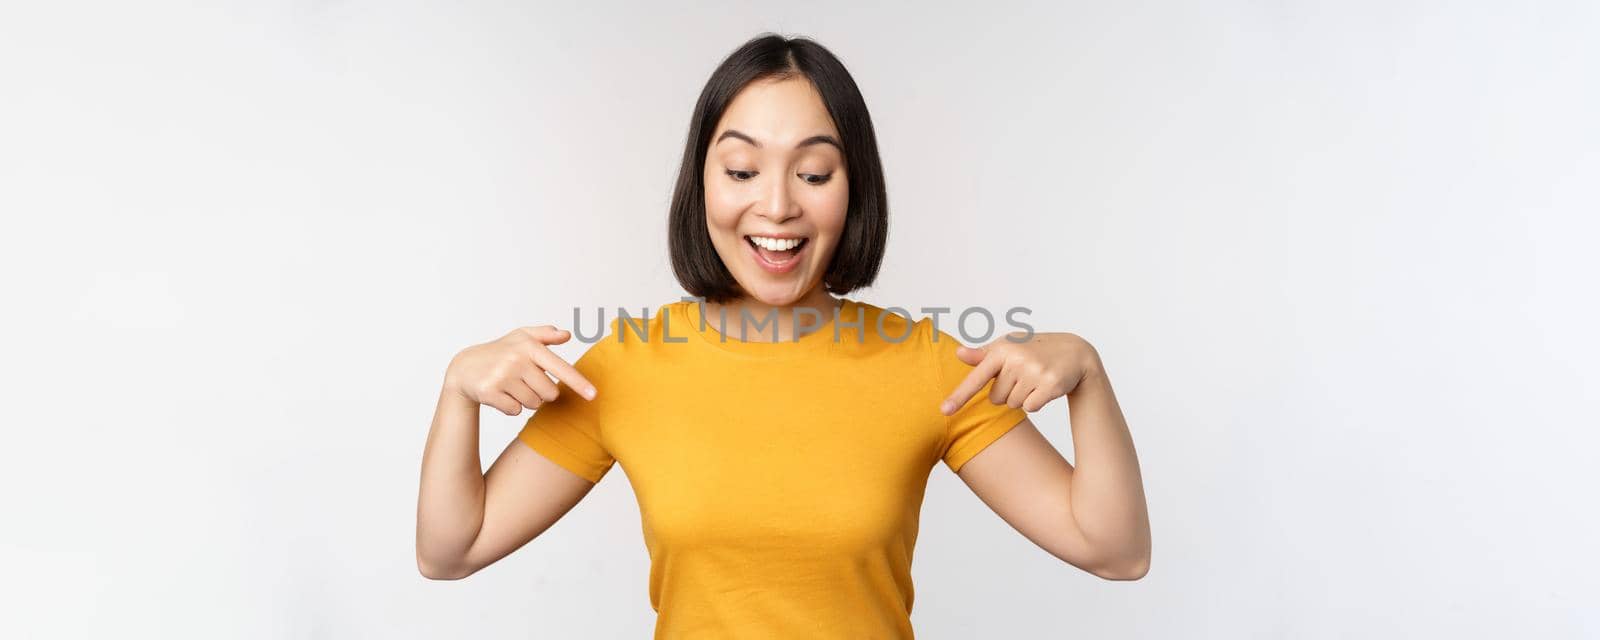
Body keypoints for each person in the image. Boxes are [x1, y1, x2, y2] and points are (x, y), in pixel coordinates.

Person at [416, 33, 1151, 638]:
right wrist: (458, 389)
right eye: (741, 169)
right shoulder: (628, 365)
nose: (776, 205)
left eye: (814, 173)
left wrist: (1087, 371)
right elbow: (452, 550)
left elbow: (1114, 551)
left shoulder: (929, 364)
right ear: (700, 184)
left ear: (852, 186)